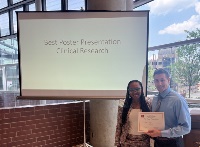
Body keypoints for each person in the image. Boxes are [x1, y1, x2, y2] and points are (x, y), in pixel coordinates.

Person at [146, 68, 191, 147]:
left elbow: (186, 128)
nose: (159, 83)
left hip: (173, 143)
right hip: (157, 142)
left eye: (162, 80)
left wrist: (161, 133)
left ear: (168, 80)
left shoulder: (178, 100)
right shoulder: (155, 99)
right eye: (156, 80)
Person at [115, 80, 151, 147]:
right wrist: (117, 143)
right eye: (131, 90)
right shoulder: (123, 105)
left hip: (144, 142)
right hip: (127, 142)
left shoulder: (149, 103)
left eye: (137, 89)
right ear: (128, 91)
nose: (134, 92)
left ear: (141, 89)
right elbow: (119, 125)